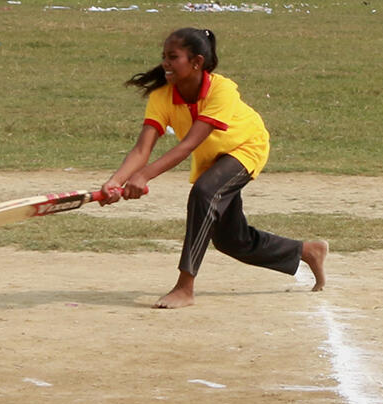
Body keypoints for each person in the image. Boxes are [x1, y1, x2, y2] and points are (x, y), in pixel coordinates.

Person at [99, 27, 328, 309]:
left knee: (204, 193)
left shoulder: (222, 89)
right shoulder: (162, 96)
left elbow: (188, 145)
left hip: (246, 147)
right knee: (232, 241)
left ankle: (185, 287)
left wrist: (144, 176)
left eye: (173, 57)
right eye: (164, 57)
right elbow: (141, 149)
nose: (165, 64)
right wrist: (115, 181)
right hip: (214, 159)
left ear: (196, 62)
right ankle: (307, 251)